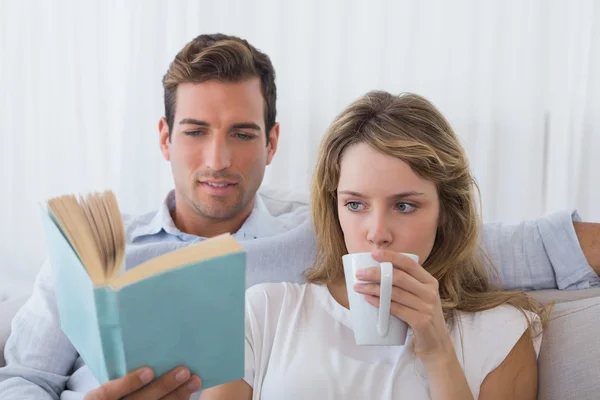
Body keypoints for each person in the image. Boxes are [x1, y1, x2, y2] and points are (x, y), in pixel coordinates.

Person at [0, 33, 598, 400]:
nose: (218, 160)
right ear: (163, 138)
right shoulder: (94, 249)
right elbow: (22, 375)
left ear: (273, 140)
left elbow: (481, 243)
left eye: (242, 133)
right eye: (195, 132)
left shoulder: (323, 231)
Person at [201, 91, 548, 399]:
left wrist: (438, 350)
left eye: (404, 205)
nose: (377, 232)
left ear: (446, 210)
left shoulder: (501, 335)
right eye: (355, 204)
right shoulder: (263, 314)